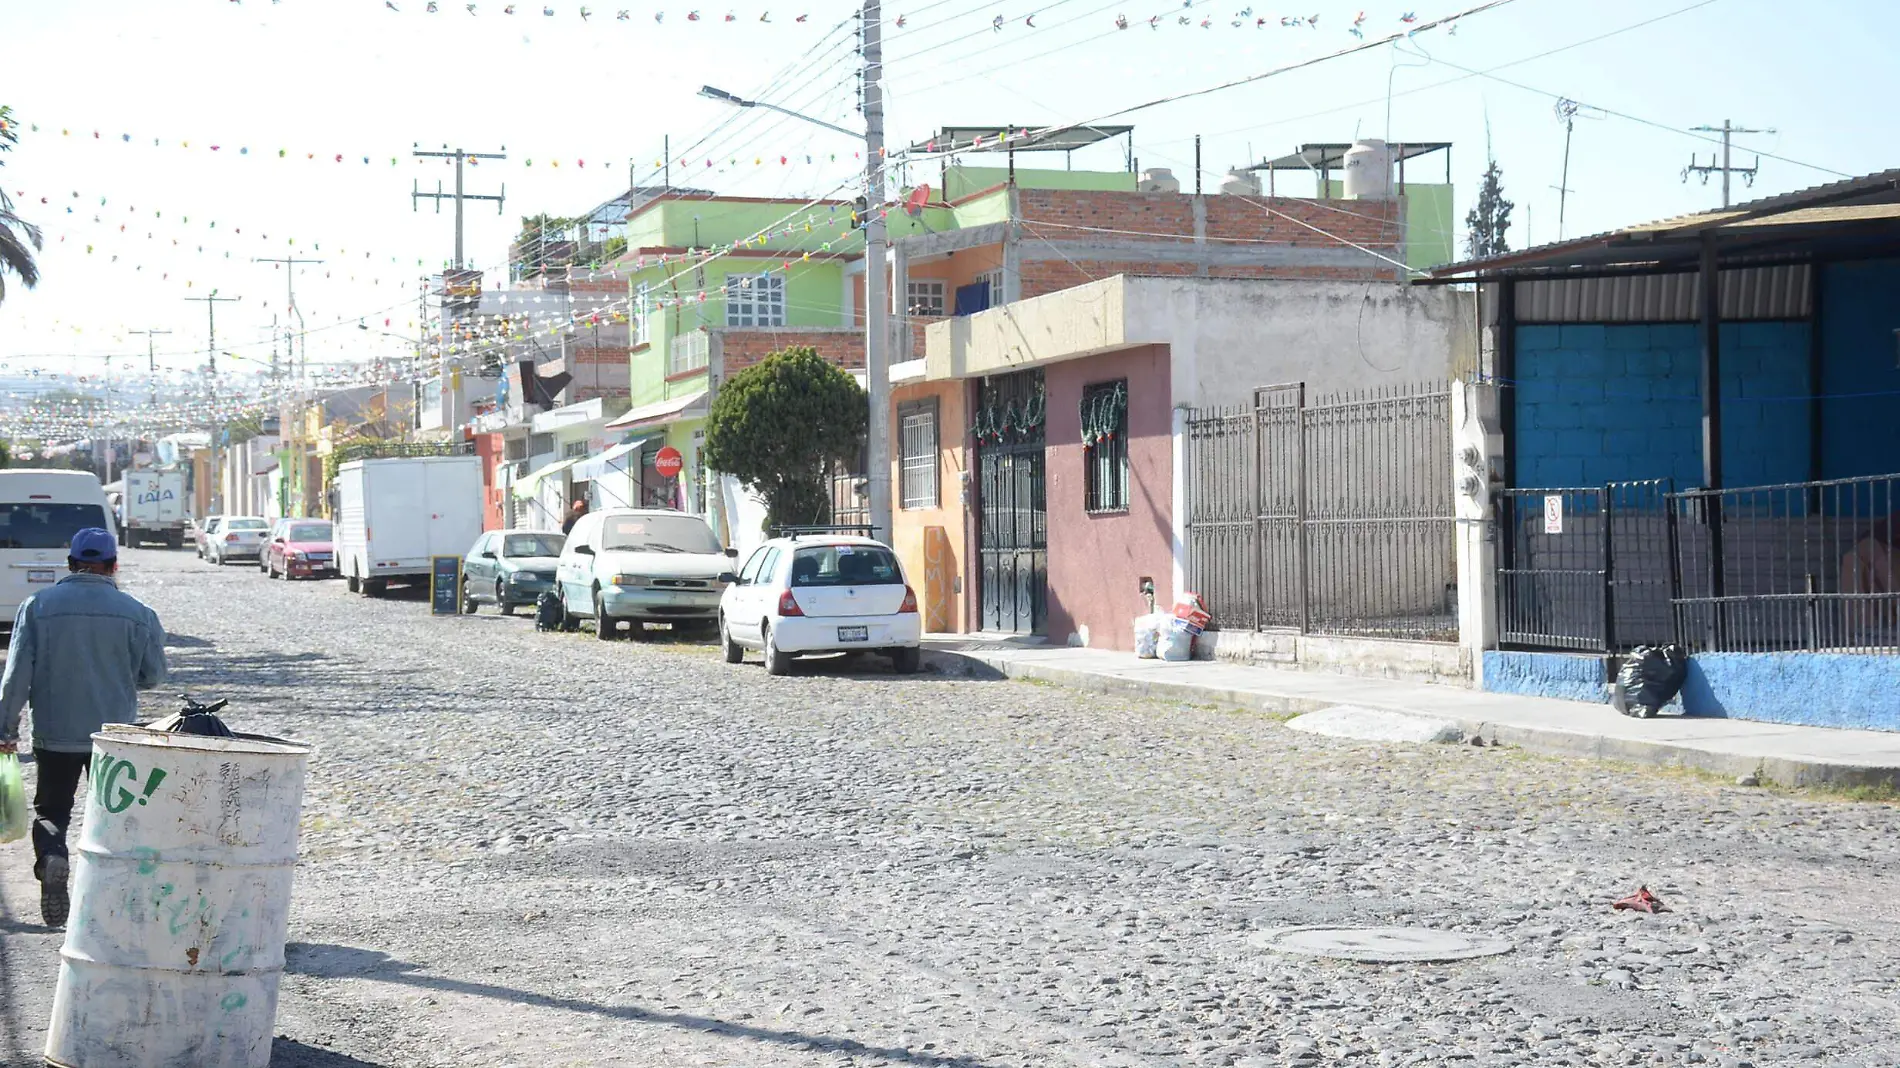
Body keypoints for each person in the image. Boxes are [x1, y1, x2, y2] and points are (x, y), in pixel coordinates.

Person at [0, 528, 167, 927]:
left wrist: (6, 728)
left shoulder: (37, 607)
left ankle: (53, 856)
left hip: (55, 732)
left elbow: (17, 674)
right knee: (113, 812)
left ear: (71, 564)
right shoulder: (137, 613)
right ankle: (109, 896)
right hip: (113, 736)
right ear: (113, 566)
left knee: (52, 808)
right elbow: (155, 675)